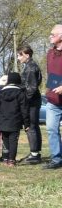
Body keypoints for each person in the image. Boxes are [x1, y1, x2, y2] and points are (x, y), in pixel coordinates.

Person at [0, 72, 28, 165]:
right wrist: (26, 123)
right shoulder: (20, 93)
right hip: (15, 121)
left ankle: (5, 159)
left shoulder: (0, 93)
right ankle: (12, 160)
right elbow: (24, 109)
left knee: (5, 140)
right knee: (13, 141)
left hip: (3, 120)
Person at [18, 45, 43, 164]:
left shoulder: (31, 68)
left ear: (27, 55)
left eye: (20, 55)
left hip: (31, 101)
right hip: (33, 100)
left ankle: (34, 154)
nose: (18, 58)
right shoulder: (29, 66)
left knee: (31, 126)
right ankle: (35, 152)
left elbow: (31, 88)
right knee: (34, 126)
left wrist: (24, 101)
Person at [45, 25, 62, 169]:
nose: (50, 36)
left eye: (52, 34)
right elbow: (50, 73)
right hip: (53, 100)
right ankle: (56, 159)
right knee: (51, 128)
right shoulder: (50, 53)